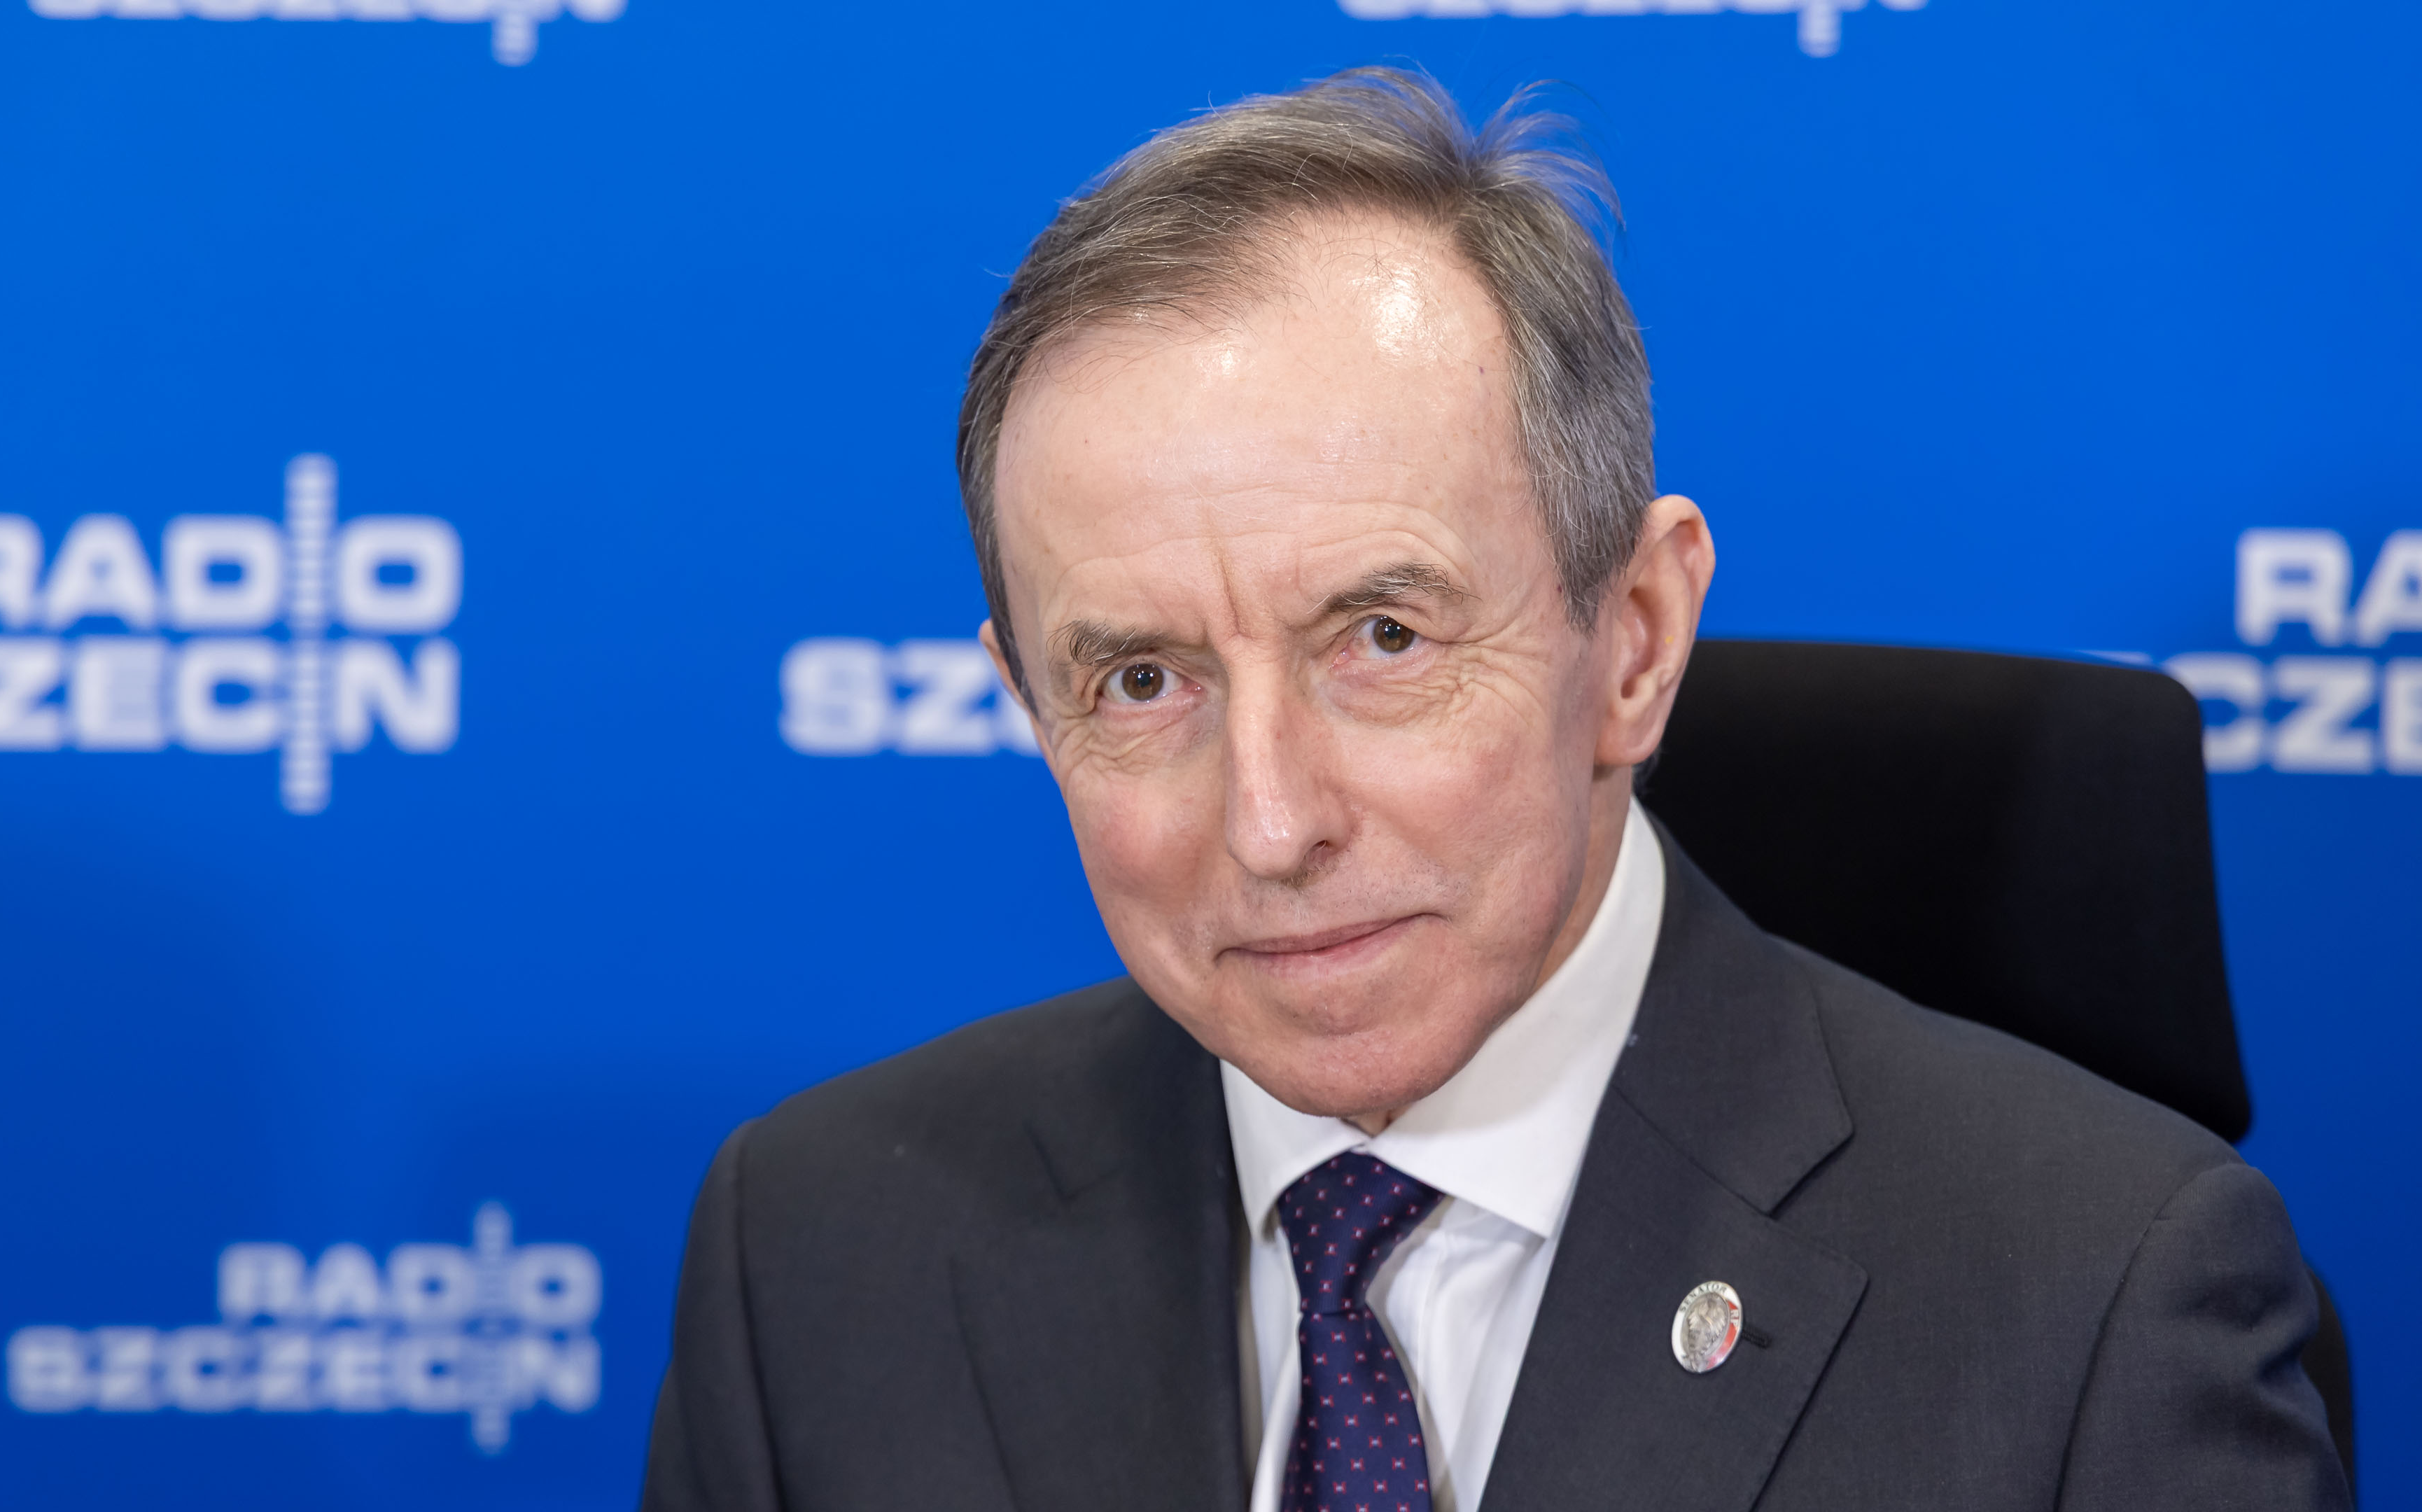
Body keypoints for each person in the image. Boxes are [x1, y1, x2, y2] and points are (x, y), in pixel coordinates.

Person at [642, 69, 2348, 1511]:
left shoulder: (2102, 1301)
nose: (1272, 825)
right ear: (1027, 701)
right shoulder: (814, 1255)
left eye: (1382, 638)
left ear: (1636, 638)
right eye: (1143, 680)